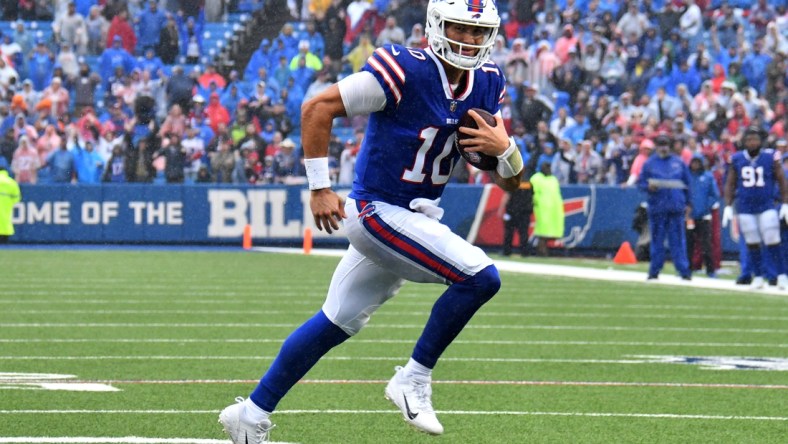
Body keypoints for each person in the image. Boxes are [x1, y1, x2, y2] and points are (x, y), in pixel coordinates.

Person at [219, 0, 524, 442]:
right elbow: (316, 107)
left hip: (412, 216)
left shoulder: (488, 82)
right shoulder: (406, 68)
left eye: (479, 32)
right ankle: (413, 378)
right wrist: (320, 188)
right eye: (461, 28)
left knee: (336, 320)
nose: (470, 40)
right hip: (377, 211)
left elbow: (512, 183)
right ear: (436, 27)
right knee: (481, 277)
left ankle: (250, 412)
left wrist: (506, 149)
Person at [722, 126, 788, 289]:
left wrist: (785, 203)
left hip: (766, 205)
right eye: (749, 139)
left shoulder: (770, 157)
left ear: (761, 141)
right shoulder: (737, 158)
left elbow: (781, 180)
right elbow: (730, 182)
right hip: (745, 207)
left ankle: (781, 276)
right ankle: (758, 277)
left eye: (755, 139)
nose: (752, 143)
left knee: (773, 240)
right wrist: (728, 205)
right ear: (744, 142)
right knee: (752, 243)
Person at [638, 134, 692, 280]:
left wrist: (688, 203)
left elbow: (688, 183)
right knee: (657, 241)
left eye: (666, 144)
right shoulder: (649, 163)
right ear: (657, 146)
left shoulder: (678, 162)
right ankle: (654, 270)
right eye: (661, 144)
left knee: (678, 241)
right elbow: (641, 183)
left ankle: (683, 270)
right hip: (657, 207)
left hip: (676, 207)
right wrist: (648, 187)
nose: (664, 147)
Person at [686, 155, 721, 277]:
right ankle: (687, 269)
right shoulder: (687, 176)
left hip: (704, 216)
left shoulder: (708, 176)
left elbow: (714, 194)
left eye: (697, 163)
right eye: (693, 162)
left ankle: (710, 270)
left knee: (706, 244)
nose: (695, 165)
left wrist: (706, 208)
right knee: (689, 243)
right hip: (689, 216)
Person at [530, 161, 564, 256]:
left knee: (548, 233)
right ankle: (541, 252)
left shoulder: (553, 179)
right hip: (541, 208)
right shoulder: (536, 178)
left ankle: (542, 251)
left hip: (553, 209)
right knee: (542, 232)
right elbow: (534, 193)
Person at [0, 165, 20, 243]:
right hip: (6, 205)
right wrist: (9, 202)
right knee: (5, 221)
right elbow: (17, 197)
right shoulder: (11, 182)